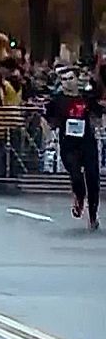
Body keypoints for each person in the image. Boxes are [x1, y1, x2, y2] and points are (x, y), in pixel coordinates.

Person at [44, 66, 101, 230]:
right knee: (76, 175)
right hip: (68, 144)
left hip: (87, 142)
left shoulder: (87, 97)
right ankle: (79, 196)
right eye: (64, 80)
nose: (67, 83)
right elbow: (46, 118)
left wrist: (97, 124)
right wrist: (50, 135)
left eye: (70, 79)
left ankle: (93, 216)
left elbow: (98, 113)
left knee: (92, 178)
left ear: (76, 80)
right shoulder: (57, 100)